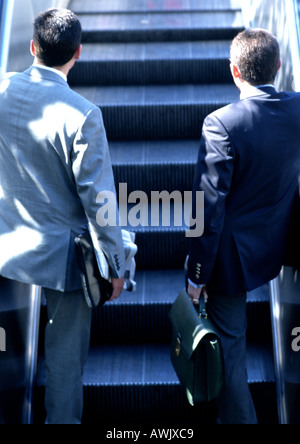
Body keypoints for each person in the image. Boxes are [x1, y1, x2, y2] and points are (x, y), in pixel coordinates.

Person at [0, 8, 125, 424]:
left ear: (33, 47)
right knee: (64, 367)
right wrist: (117, 265)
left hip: (7, 245)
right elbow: (100, 203)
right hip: (62, 259)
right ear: (78, 54)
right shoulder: (83, 114)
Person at [187, 28, 300, 424]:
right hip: (281, 240)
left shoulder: (221, 123)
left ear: (234, 71)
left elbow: (207, 205)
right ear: (280, 66)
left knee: (231, 350)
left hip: (230, 259)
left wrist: (196, 272)